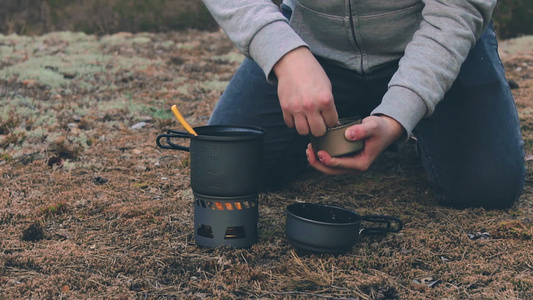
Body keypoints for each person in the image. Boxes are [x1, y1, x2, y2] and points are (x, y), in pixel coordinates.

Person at [201, 0, 525, 209]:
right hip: (310, 42)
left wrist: (398, 115)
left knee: (488, 186)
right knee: (227, 170)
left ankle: (413, 121)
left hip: (432, 34)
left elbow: (459, 9)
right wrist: (285, 55)